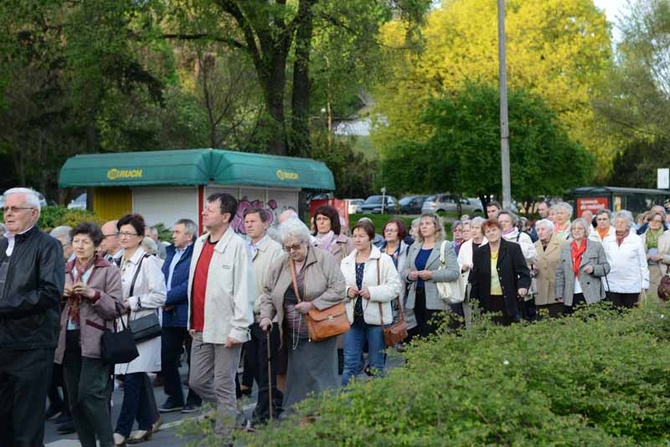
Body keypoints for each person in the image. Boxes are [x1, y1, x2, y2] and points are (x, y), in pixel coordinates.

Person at [0, 187, 65, 447]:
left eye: (15, 209)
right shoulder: (2, 243)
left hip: (32, 345)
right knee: (3, 423)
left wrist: (4, 305)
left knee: (26, 425)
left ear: (34, 213)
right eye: (6, 209)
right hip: (3, 345)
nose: (8, 214)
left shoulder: (48, 245)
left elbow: (50, 293)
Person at [258, 219, 345, 409]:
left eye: (296, 246)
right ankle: (300, 417)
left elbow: (339, 289)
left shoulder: (323, 258)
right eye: (287, 247)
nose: (292, 251)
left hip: (320, 329)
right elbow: (268, 293)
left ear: (306, 241)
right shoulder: (281, 263)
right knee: (297, 374)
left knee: (316, 374)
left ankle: (325, 415)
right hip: (292, 333)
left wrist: (313, 304)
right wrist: (265, 316)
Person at [187, 193, 254, 438]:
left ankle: (223, 437)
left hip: (227, 328)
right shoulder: (200, 242)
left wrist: (238, 328)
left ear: (225, 216)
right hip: (200, 325)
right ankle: (234, 417)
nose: (204, 213)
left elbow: (244, 290)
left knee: (224, 385)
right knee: (197, 381)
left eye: (210, 210)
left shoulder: (237, 245)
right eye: (205, 209)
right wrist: (191, 319)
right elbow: (196, 284)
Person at [54, 222, 123, 447]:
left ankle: (106, 442)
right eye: (76, 241)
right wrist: (60, 294)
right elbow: (50, 302)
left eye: (85, 242)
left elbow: (116, 307)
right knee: (73, 400)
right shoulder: (64, 269)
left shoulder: (107, 269)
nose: (80, 246)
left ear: (96, 246)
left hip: (96, 341)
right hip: (67, 340)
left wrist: (92, 294)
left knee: (89, 395)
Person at [113, 214, 167, 446]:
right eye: (121, 233)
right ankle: (147, 422)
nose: (124, 237)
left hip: (141, 328)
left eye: (129, 234)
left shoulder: (147, 261)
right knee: (131, 376)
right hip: (120, 328)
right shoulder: (115, 260)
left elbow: (160, 296)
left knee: (133, 378)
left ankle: (121, 430)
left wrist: (132, 302)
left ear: (140, 237)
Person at [340, 221, 402, 385]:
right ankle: (345, 405)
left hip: (377, 321)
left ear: (371, 238)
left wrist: (373, 292)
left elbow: (396, 287)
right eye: (354, 236)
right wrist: (347, 291)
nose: (357, 239)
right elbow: (337, 287)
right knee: (350, 365)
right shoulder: (346, 262)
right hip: (352, 320)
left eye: (362, 236)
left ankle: (378, 405)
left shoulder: (383, 260)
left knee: (376, 366)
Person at [242, 207, 284, 425]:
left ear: (265, 223)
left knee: (267, 365)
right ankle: (275, 401)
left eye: (253, 221)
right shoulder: (242, 248)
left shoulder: (275, 250)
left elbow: (274, 287)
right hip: (245, 317)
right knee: (254, 365)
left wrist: (258, 306)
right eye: (246, 221)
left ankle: (263, 412)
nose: (249, 225)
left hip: (267, 316)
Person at [158, 219, 202, 414]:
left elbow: (190, 284)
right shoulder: (170, 253)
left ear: (189, 235)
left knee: (195, 360)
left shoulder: (196, 254)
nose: (173, 235)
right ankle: (174, 396)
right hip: (168, 314)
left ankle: (195, 398)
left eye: (177, 232)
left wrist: (166, 298)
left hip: (188, 314)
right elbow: (162, 279)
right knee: (167, 357)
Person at [403, 214, 460, 338]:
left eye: (428, 223)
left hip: (436, 299)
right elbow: (404, 270)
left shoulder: (445, 246)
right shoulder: (414, 246)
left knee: (432, 336)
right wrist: (409, 275)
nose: (424, 226)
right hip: (416, 297)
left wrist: (432, 275)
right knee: (419, 335)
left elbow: (454, 272)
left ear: (436, 227)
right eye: (422, 224)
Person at [469, 219, 531, 326]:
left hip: (509, 300)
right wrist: (473, 302)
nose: (491, 233)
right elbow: (475, 279)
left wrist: (523, 287)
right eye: (488, 231)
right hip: (487, 301)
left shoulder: (513, 249)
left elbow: (524, 272)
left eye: (494, 230)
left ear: (500, 231)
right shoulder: (479, 252)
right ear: (484, 235)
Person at [48, 226, 76, 434]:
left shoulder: (75, 264)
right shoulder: (59, 262)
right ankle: (62, 407)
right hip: (56, 324)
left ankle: (71, 411)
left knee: (69, 372)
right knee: (59, 370)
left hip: (73, 325)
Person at [555, 219, 610, 314]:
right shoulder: (566, 248)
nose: (576, 231)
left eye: (580, 228)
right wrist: (559, 293)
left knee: (591, 322)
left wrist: (593, 269)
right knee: (573, 324)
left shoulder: (596, 246)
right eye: (574, 228)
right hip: (570, 293)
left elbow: (606, 267)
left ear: (585, 231)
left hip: (591, 293)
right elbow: (560, 272)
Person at [602, 210, 649, 308]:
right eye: (617, 222)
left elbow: (643, 264)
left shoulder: (636, 240)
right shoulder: (607, 240)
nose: (619, 224)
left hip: (631, 284)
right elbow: (604, 261)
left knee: (629, 314)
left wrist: (645, 283)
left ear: (628, 224)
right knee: (613, 313)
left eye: (622, 222)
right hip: (611, 283)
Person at [498, 210, 537, 320]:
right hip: (500, 284)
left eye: (506, 221)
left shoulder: (522, 237)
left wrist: (517, 250)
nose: (503, 223)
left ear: (513, 222)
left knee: (521, 314)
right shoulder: (493, 239)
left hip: (519, 283)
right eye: (500, 221)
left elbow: (533, 256)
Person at [380, 219, 415, 332]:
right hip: (382, 296)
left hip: (401, 297)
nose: (388, 233)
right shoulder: (378, 251)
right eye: (387, 230)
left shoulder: (408, 250)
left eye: (392, 230)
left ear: (399, 233)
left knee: (401, 331)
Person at [532, 219, 564, 318]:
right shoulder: (533, 247)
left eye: (543, 229)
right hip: (540, 293)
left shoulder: (562, 244)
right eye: (538, 230)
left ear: (551, 231)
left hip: (557, 293)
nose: (540, 232)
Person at [640, 212, 669, 298]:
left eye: (657, 221)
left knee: (660, 301)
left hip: (662, 273)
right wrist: (644, 257)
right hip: (645, 273)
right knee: (645, 301)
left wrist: (662, 257)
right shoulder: (641, 237)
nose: (654, 223)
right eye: (651, 220)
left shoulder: (668, 237)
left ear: (662, 223)